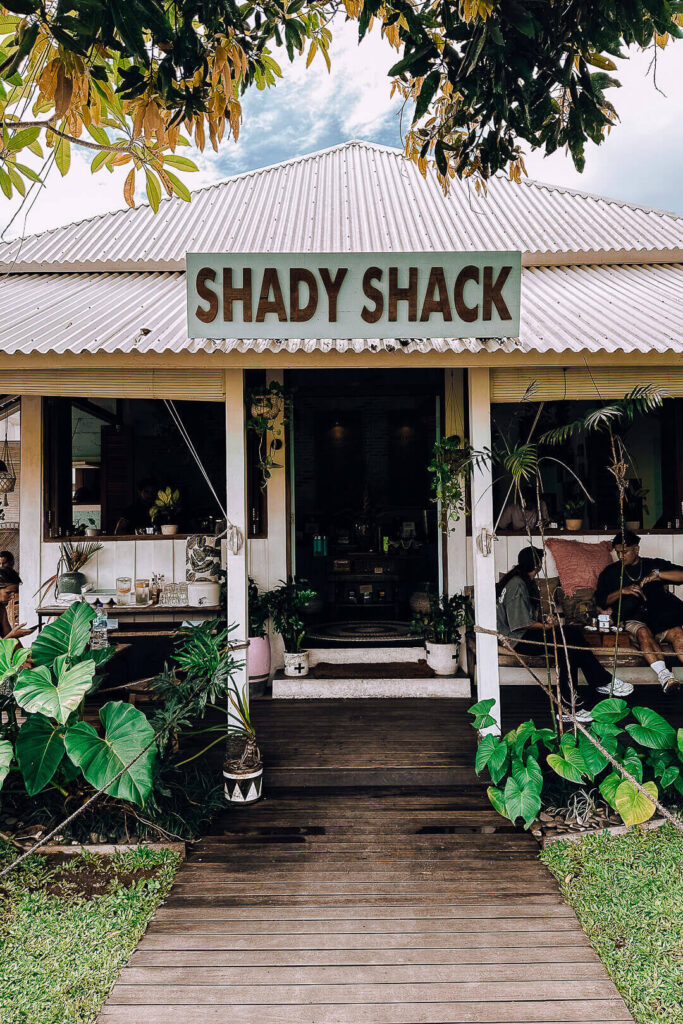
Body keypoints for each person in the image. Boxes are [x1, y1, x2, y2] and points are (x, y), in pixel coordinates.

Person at [497, 546, 633, 722]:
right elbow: (520, 623)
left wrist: (547, 621)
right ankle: (596, 686)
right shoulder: (517, 584)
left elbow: (526, 617)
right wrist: (546, 627)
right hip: (515, 640)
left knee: (568, 640)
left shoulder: (521, 581)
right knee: (567, 640)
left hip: (521, 636)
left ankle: (570, 706)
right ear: (537, 565)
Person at [595, 530, 683, 693]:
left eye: (625, 552)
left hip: (660, 618)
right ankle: (666, 677)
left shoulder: (652, 564)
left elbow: (681, 575)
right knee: (643, 632)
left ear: (636, 549)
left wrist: (658, 574)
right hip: (632, 618)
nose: (621, 556)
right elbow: (601, 600)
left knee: (678, 632)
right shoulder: (610, 572)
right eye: (618, 552)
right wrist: (622, 591)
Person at [0, 568, 37, 641]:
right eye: (8, 593)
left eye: (15, 593)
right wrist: (12, 635)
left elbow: (8, 636)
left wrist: (25, 652)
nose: (13, 596)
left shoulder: (1, 609)